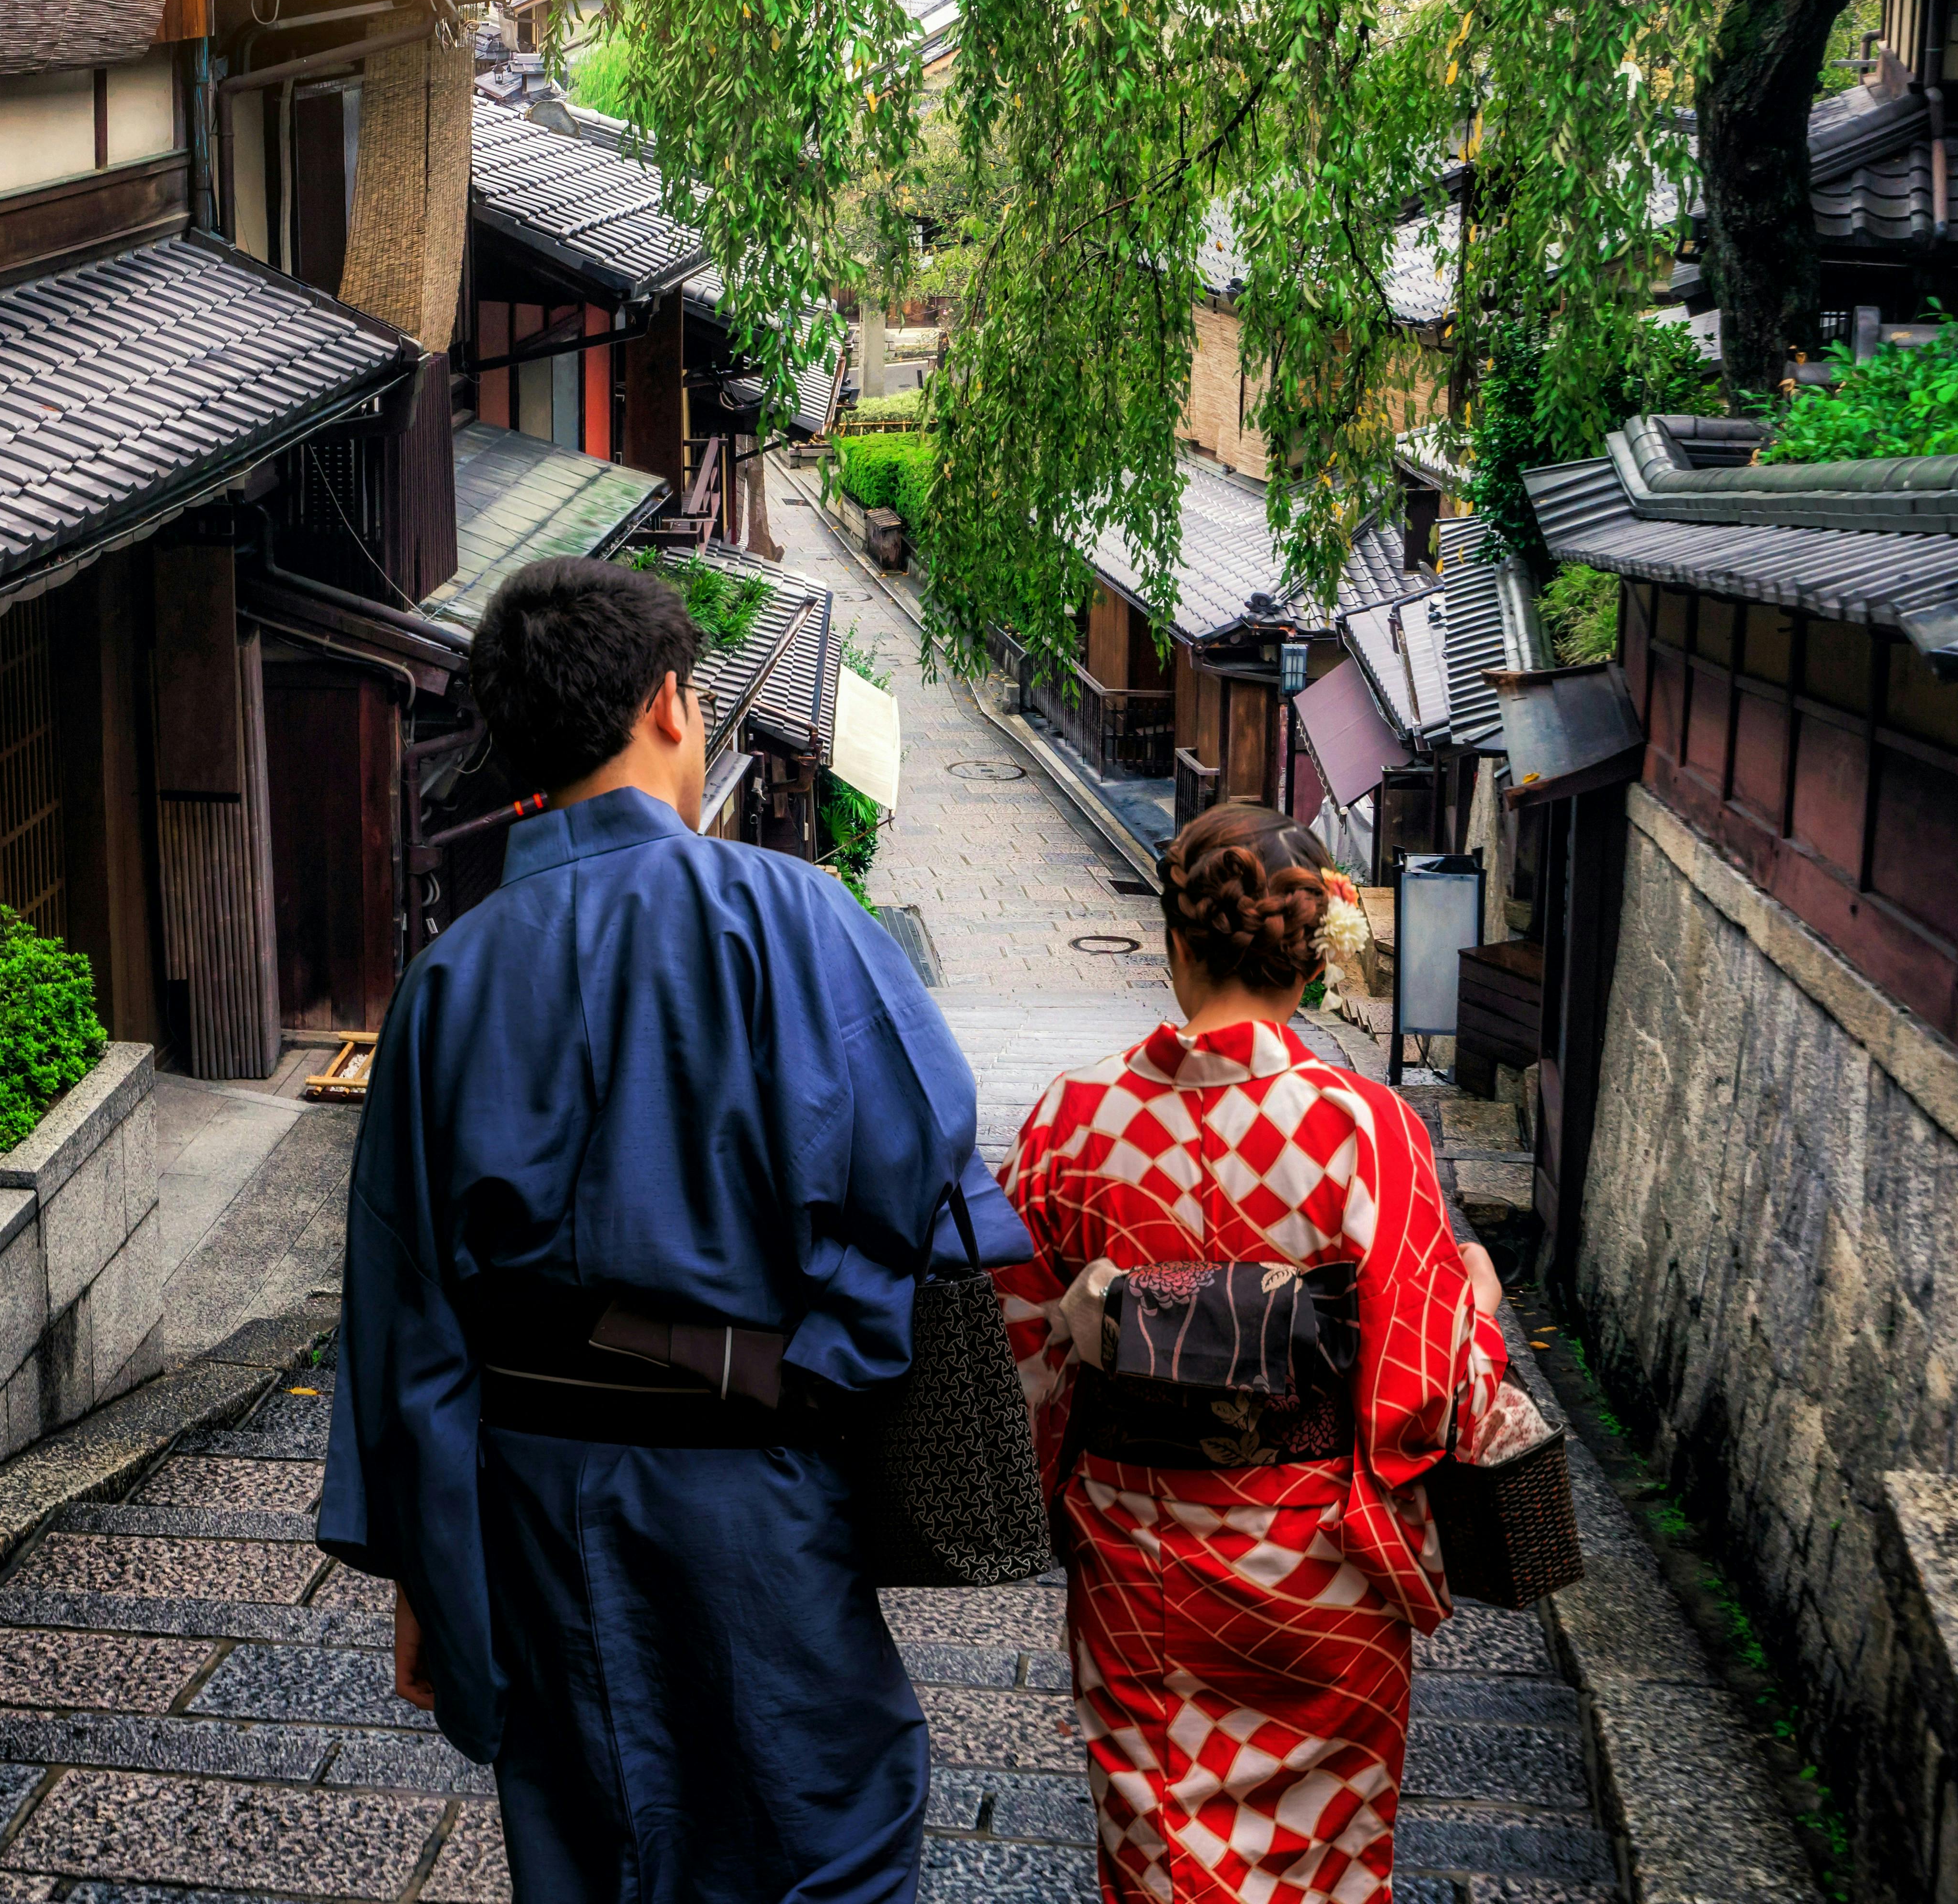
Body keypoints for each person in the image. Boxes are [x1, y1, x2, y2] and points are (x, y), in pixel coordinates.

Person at [319, 555, 1029, 1904]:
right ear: (670, 706)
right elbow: (920, 1166)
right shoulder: (798, 916)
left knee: (586, 1845)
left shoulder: (449, 980)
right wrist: (826, 1331)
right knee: (825, 1834)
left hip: (525, 1500)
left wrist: (420, 1563)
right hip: (747, 1481)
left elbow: (404, 1306)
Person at [995, 801, 1545, 1904]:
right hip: (1328, 1582)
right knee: (1329, 1874)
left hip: (1141, 1571)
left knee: (1163, 1873)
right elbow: (1431, 1393)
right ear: (1311, 957)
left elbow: (1023, 1363)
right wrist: (1477, 1305)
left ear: (1176, 942)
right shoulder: (1370, 1128)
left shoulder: (1076, 1121)